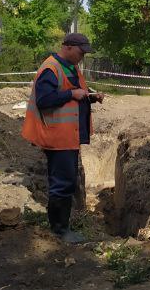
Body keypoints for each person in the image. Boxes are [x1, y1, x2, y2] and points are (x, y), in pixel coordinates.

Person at [21, 33, 104, 244]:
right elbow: (45, 100)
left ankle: (61, 227)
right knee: (62, 184)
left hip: (68, 136)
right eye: (80, 51)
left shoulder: (70, 67)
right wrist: (71, 94)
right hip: (57, 137)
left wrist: (90, 97)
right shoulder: (51, 68)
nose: (82, 56)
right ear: (67, 47)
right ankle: (59, 230)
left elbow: (72, 95)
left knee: (66, 181)